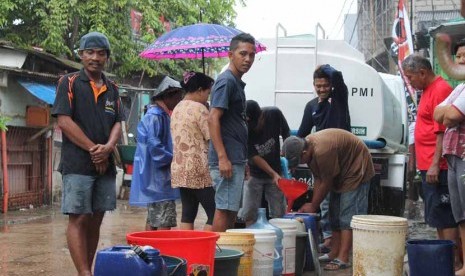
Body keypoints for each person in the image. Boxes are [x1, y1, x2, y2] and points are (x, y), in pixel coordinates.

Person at [51, 32, 124, 276]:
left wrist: (108, 148)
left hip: (105, 165)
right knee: (79, 218)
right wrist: (95, 150)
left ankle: (88, 269)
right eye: (89, 52)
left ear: (107, 57)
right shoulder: (68, 82)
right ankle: (83, 272)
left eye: (100, 53)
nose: (95, 58)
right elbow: (64, 120)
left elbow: (117, 123)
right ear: (81, 55)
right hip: (78, 164)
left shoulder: (113, 88)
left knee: (96, 219)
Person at [282, 129, 374, 271]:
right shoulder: (309, 148)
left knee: (346, 214)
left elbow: (326, 181)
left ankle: (343, 257)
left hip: (356, 167)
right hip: (341, 170)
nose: (300, 163)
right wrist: (313, 204)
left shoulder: (322, 151)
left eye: (299, 160)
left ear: (304, 153)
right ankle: (334, 252)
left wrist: (313, 205)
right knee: (333, 213)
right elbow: (319, 178)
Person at [402, 54, 459, 257]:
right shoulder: (427, 90)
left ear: (423, 72)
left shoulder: (440, 90)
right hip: (428, 166)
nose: (410, 82)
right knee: (436, 216)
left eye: (411, 77)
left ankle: (452, 262)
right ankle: (445, 260)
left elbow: (442, 131)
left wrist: (435, 164)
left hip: (439, 167)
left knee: (446, 216)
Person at [297, 64, 351, 254]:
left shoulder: (339, 98)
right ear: (313, 85)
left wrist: (325, 68)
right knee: (326, 201)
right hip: (322, 157)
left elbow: (337, 75)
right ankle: (329, 239)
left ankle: (342, 247)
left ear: (331, 85)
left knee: (342, 205)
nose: (322, 89)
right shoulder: (311, 106)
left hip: (343, 158)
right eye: (318, 85)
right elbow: (302, 133)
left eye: (325, 85)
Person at [208, 33, 257, 232]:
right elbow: (212, 118)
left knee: (230, 210)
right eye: (243, 54)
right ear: (230, 54)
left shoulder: (236, 82)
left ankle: (222, 256)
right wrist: (222, 158)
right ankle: (217, 258)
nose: (247, 59)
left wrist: (242, 160)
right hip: (225, 159)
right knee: (223, 209)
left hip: (234, 158)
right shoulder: (226, 81)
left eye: (251, 55)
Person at [129, 76, 184, 231]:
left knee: (154, 218)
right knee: (164, 221)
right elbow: (155, 147)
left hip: (155, 178)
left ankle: (149, 251)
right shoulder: (156, 116)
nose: (179, 100)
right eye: (177, 97)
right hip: (160, 180)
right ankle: (161, 253)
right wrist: (174, 159)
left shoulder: (156, 115)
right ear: (168, 97)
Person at [433, 39, 465, 275]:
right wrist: (447, 113)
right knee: (460, 216)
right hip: (454, 157)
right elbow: (438, 114)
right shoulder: (459, 88)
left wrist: (448, 113)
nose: (461, 60)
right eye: (459, 56)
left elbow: (451, 116)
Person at [170, 71, 216, 231]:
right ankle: (207, 249)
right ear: (199, 90)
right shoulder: (199, 109)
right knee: (215, 213)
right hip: (199, 168)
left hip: (180, 167)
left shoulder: (177, 108)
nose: (207, 97)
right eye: (207, 92)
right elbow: (212, 137)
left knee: (188, 213)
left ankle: (186, 250)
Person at [238, 101, 290, 225]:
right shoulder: (245, 129)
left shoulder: (274, 114)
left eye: (256, 124)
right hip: (254, 175)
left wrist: (288, 155)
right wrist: (273, 174)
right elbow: (254, 157)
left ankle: (278, 241)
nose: (254, 128)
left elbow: (286, 134)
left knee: (279, 214)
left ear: (262, 116)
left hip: (275, 173)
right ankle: (251, 239)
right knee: (249, 213)